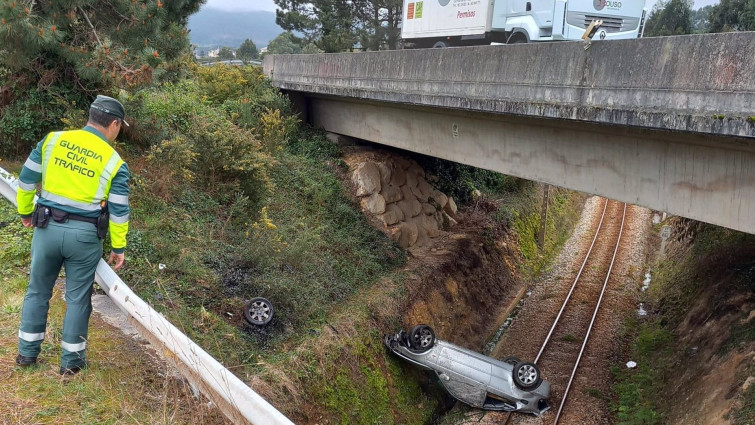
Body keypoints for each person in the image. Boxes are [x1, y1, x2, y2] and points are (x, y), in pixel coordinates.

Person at [14, 95, 131, 375]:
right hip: (84, 238)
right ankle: (71, 364)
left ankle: (27, 354)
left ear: (90, 117)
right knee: (78, 299)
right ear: (114, 124)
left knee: (37, 291)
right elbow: (119, 212)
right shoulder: (115, 162)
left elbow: (27, 180)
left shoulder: (53, 140)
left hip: (46, 230)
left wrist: (26, 213)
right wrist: (118, 246)